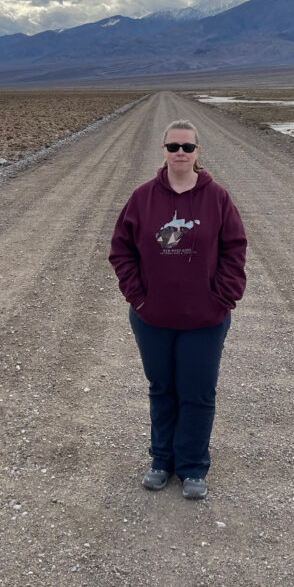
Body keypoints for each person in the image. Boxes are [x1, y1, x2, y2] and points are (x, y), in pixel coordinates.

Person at [109, 119, 247, 499]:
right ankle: (161, 460)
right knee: (162, 388)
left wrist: (223, 297)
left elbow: (235, 249)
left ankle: (192, 467)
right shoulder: (142, 198)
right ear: (164, 151)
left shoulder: (216, 197)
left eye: (187, 147)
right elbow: (121, 251)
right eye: (173, 147)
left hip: (205, 319)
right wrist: (138, 297)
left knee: (197, 391)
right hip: (152, 317)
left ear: (198, 152)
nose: (180, 153)